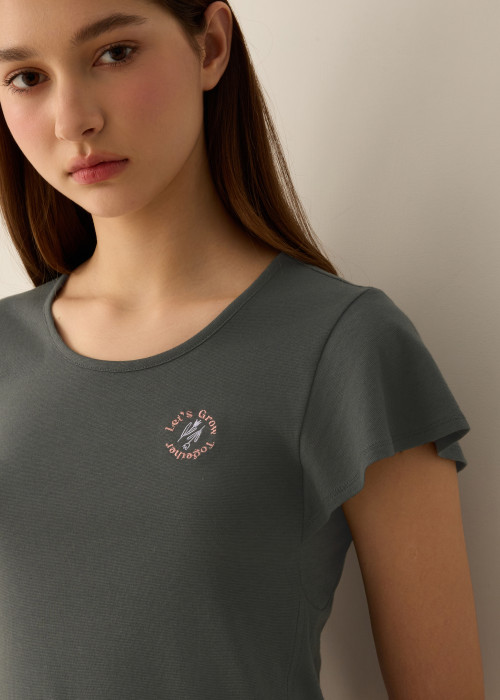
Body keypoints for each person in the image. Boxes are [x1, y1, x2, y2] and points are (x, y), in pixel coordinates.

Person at [0, 1, 485, 698]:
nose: (73, 119)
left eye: (115, 53)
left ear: (211, 46)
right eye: (26, 78)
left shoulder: (342, 343)